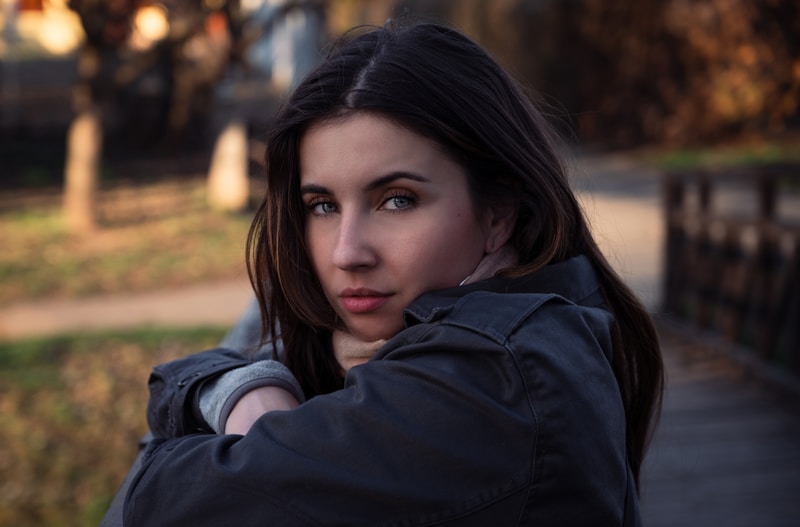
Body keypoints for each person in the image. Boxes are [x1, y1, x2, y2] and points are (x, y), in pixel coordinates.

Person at [122, 20, 663, 526]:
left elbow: (166, 498)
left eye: (397, 200)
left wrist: (242, 416)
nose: (347, 252)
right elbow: (184, 376)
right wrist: (248, 389)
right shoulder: (535, 326)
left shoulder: (494, 379)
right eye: (323, 206)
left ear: (498, 214)